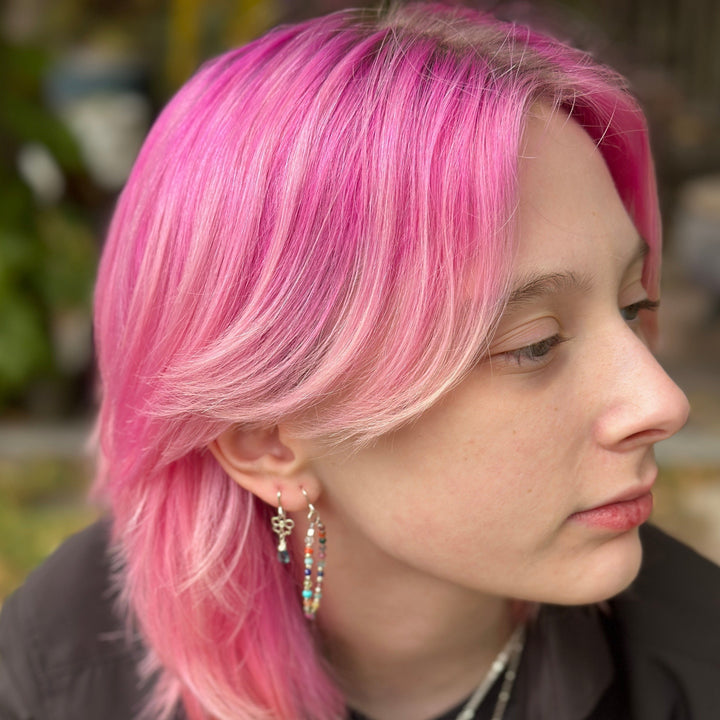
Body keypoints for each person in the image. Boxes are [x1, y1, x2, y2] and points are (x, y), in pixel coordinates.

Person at [1, 2, 719, 719]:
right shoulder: (63, 676)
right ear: (268, 441)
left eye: (632, 306)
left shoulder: (691, 668)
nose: (661, 402)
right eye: (532, 343)